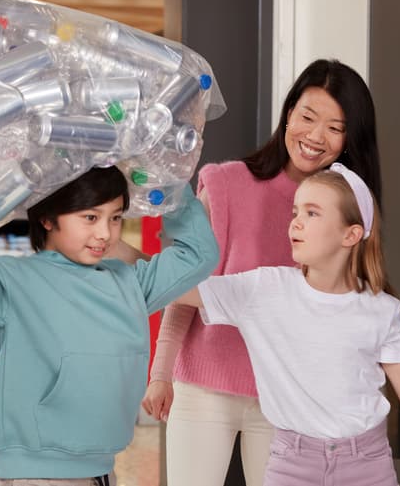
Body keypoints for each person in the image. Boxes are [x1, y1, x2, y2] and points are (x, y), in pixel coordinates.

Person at [0, 129, 219, 486]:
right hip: (32, 475)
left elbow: (198, 256)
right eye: (90, 218)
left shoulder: (129, 282)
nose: (105, 234)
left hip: (101, 469)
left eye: (115, 218)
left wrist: (172, 182)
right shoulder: (11, 281)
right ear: (48, 218)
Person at [116, 59, 383, 486]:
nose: (315, 137)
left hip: (288, 397)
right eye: (307, 117)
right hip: (204, 386)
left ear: (351, 138)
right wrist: (161, 372)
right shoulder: (225, 184)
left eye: (335, 127)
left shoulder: (350, 212)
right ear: (289, 114)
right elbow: (188, 285)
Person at [171, 164, 400, 486]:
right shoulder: (264, 290)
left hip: (368, 465)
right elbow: (177, 286)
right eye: (295, 211)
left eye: (312, 213)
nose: (295, 221)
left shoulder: (382, 310)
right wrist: (114, 252)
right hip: (291, 466)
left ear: (350, 234)